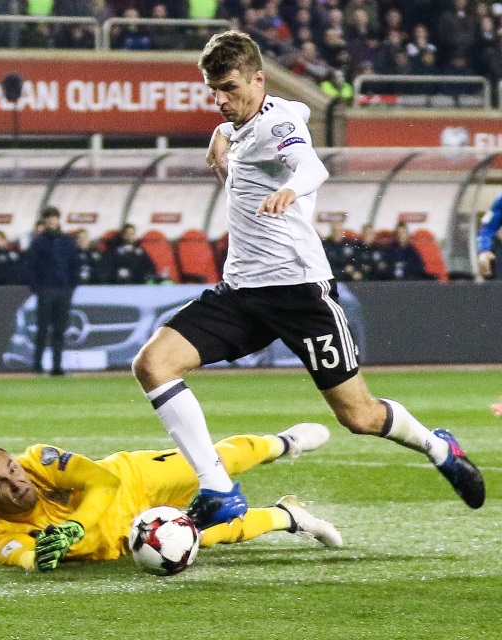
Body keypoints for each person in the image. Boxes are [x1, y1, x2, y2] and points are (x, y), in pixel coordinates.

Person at [130, 31, 484, 533]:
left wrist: (291, 190)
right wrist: (222, 131)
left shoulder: (276, 126)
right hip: (241, 293)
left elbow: (309, 164)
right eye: (213, 91)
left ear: (257, 78)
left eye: (229, 88)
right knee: (153, 364)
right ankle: (218, 489)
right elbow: (286, 107)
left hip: (300, 295)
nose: (220, 100)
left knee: (358, 417)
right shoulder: (257, 116)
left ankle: (437, 446)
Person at [0, 423, 340, 571]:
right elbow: (24, 557)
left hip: (135, 478)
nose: (16, 482)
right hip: (128, 535)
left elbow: (104, 484)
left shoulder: (40, 460)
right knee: (209, 534)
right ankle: (287, 516)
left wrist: (73, 528)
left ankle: (283, 443)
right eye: (0, 484)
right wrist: (44, 557)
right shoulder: (2, 536)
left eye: (12, 469)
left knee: (214, 461)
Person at [23, 207, 80, 375]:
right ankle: (37, 364)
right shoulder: (38, 242)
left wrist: (72, 285)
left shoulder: (68, 241)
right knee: (42, 328)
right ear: (45, 221)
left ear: (58, 220)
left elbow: (74, 264)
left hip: (64, 290)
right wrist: (37, 287)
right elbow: (30, 266)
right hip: (46, 289)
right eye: (48, 219)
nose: (51, 222)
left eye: (54, 218)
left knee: (60, 329)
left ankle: (57, 365)